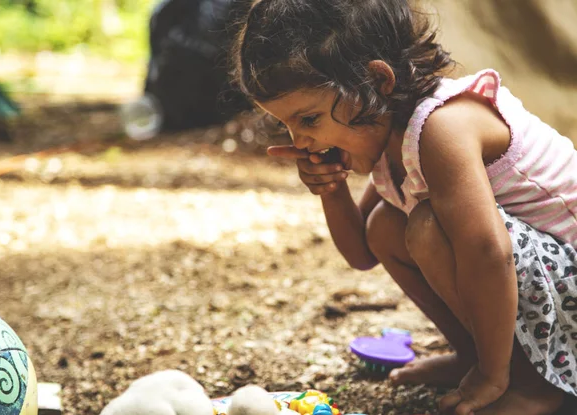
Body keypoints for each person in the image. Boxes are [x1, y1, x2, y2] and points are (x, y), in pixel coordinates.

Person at [232, 0, 577, 414]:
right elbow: (364, 250)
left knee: (428, 228)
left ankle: (531, 383)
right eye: (285, 125)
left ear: (378, 81)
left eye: (309, 119)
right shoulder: (391, 139)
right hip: (552, 292)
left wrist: (495, 374)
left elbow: (488, 253)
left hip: (566, 285)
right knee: (386, 226)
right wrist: (331, 189)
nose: (301, 141)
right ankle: (475, 358)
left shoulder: (443, 128)